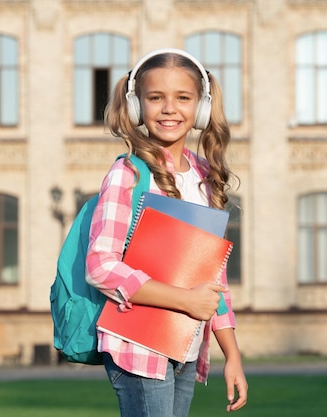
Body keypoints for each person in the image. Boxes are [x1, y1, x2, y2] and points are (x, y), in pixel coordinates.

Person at [85, 48, 248, 416]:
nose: (169, 108)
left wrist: (232, 354)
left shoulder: (205, 177)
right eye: (156, 98)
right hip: (139, 346)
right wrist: (184, 300)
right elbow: (99, 265)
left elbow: (213, 278)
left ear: (201, 108)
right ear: (138, 106)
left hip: (185, 346)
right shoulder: (128, 175)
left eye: (183, 98)